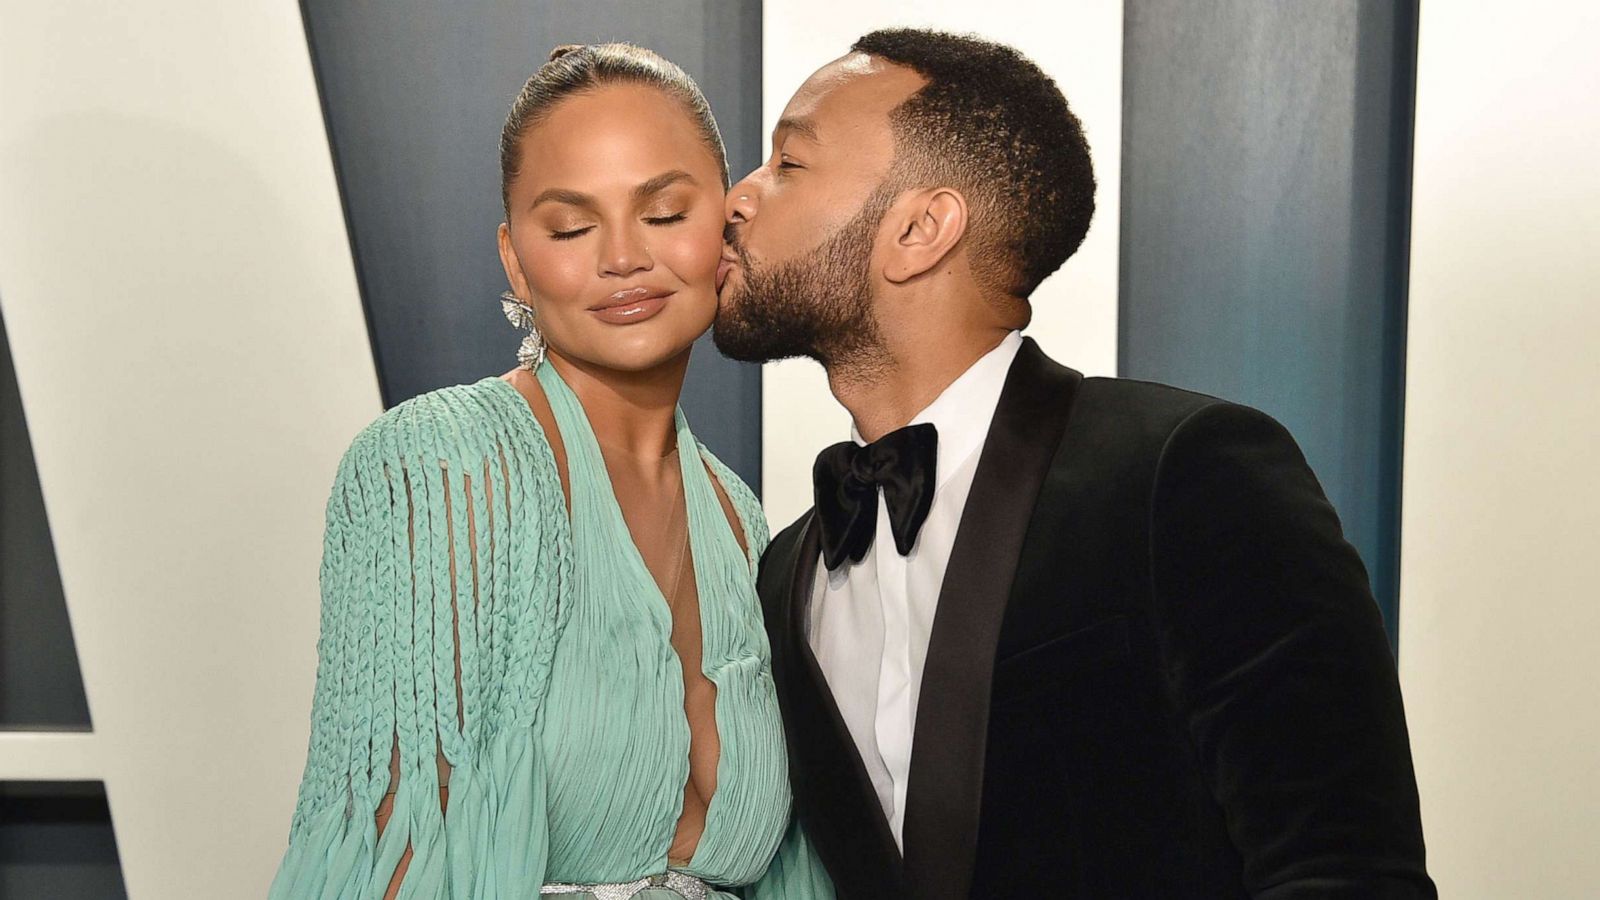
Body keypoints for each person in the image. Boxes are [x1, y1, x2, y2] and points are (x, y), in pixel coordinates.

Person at [714, 28, 1435, 900]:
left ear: (920, 229)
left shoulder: (1190, 473)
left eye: (788, 163)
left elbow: (1346, 869)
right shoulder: (786, 569)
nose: (736, 200)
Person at [270, 43, 832, 900]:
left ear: (725, 219)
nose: (621, 258)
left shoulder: (737, 516)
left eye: (665, 212)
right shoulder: (441, 465)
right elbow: (392, 858)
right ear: (515, 260)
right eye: (571, 227)